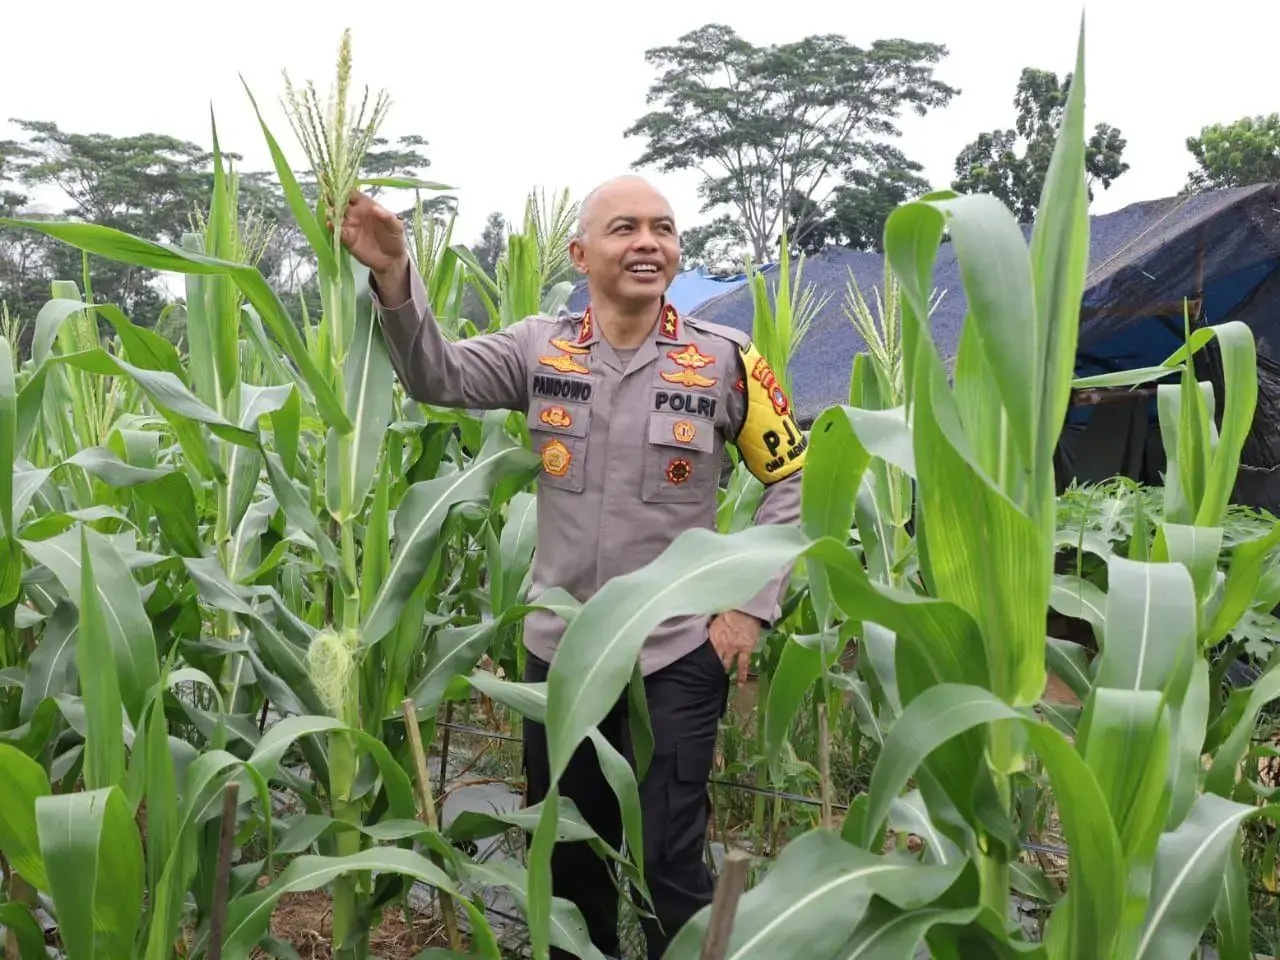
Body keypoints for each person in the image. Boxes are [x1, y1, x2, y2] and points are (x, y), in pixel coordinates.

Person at [340, 174, 805, 960]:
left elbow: (792, 478)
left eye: (663, 229)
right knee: (567, 864)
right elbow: (435, 375)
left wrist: (747, 607)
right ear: (581, 253)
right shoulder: (537, 348)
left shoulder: (726, 363)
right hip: (561, 656)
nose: (648, 243)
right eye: (625, 229)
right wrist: (394, 274)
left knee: (670, 866)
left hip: (677, 655)